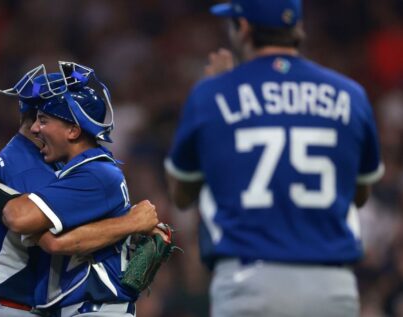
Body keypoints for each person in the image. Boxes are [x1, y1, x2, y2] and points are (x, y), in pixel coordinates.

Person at [164, 0, 385, 316]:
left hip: (251, 281)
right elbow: (360, 194)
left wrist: (223, 89)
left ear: (243, 28)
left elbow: (182, 194)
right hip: (331, 286)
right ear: (298, 28)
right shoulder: (351, 95)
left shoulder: (212, 95)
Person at [0, 62, 162, 316]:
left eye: (45, 120)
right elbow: (40, 232)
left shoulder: (58, 163)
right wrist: (130, 224)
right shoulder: (33, 166)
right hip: (3, 306)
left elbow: (38, 226)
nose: (38, 127)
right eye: (40, 118)